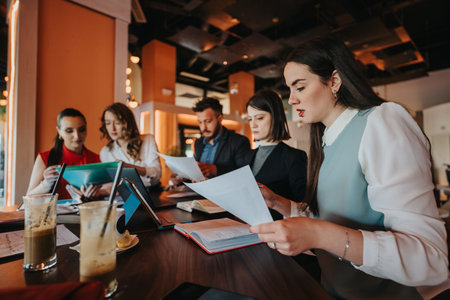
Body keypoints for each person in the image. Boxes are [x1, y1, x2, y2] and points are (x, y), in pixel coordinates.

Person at [249, 36, 449, 299]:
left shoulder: (382, 121)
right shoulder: (327, 141)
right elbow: (328, 219)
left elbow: (431, 260)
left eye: (299, 87)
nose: (292, 100)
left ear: (333, 81)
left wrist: (318, 234)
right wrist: (279, 203)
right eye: (289, 90)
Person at [246, 89, 307, 220]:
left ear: (277, 117)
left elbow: (303, 208)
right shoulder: (247, 155)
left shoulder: (294, 157)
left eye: (260, 118)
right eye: (250, 119)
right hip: (247, 227)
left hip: (280, 230)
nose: (253, 125)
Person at [27, 108, 100, 199]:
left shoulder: (97, 159)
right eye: (69, 131)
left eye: (81, 129)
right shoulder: (44, 158)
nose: (77, 136)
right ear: (59, 131)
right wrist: (46, 184)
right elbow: (28, 199)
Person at [100, 102, 161, 189]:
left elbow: (157, 173)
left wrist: (130, 168)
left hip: (152, 192)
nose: (112, 128)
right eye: (108, 123)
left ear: (127, 123)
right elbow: (111, 185)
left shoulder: (148, 140)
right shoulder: (105, 152)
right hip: (125, 196)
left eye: (117, 123)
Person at [192, 97, 250, 178]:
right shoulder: (198, 143)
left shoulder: (239, 142)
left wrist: (217, 170)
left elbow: (245, 175)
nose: (203, 127)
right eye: (200, 122)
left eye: (208, 121)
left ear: (220, 118)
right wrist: (182, 178)